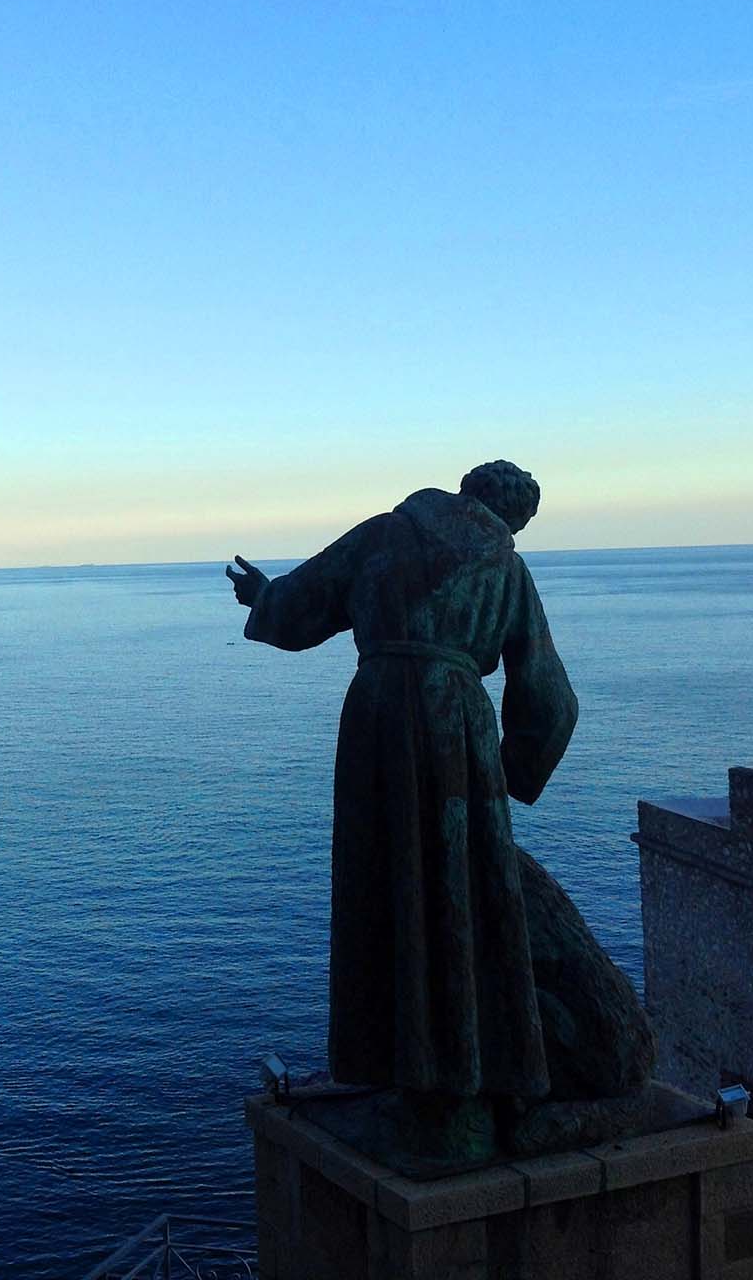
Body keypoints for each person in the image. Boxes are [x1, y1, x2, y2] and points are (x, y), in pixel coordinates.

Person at [227, 461, 578, 1152]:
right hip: (459, 733)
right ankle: (466, 1075)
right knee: (461, 897)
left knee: (380, 886)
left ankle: (399, 1069)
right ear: (509, 517)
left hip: (377, 720)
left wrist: (262, 596)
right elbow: (549, 696)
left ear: (464, 489)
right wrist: (510, 772)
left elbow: (303, 601)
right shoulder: (507, 571)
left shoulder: (388, 533)